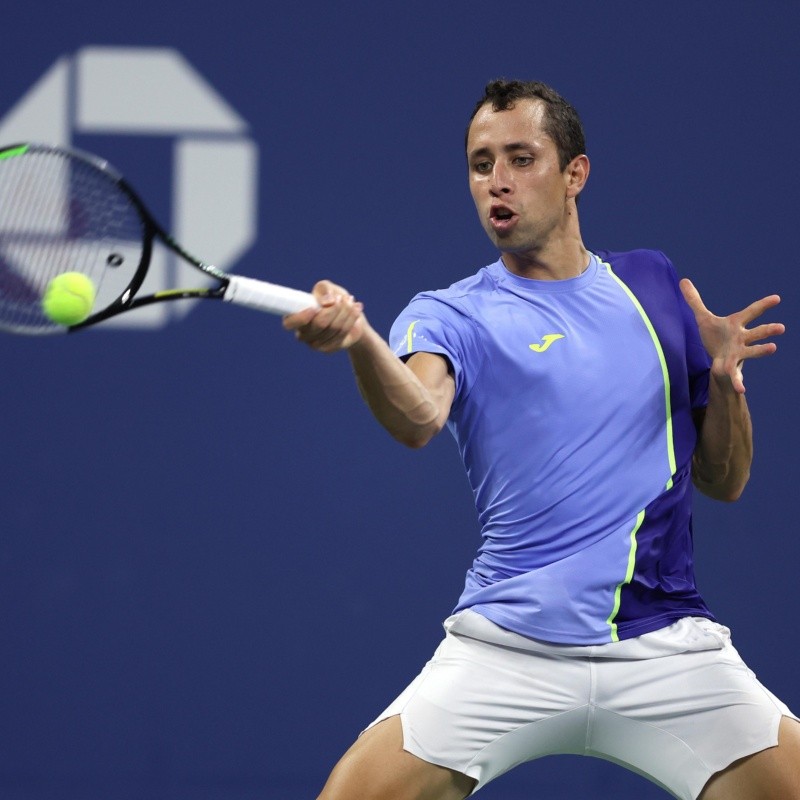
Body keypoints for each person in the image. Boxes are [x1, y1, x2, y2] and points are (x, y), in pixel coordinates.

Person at [283, 80, 800, 800]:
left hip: (664, 645)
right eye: (480, 163)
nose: (497, 182)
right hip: (507, 648)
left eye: (521, 158)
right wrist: (361, 341)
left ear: (574, 174)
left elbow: (726, 478)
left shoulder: (651, 285)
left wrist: (722, 380)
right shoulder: (448, 314)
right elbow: (418, 416)